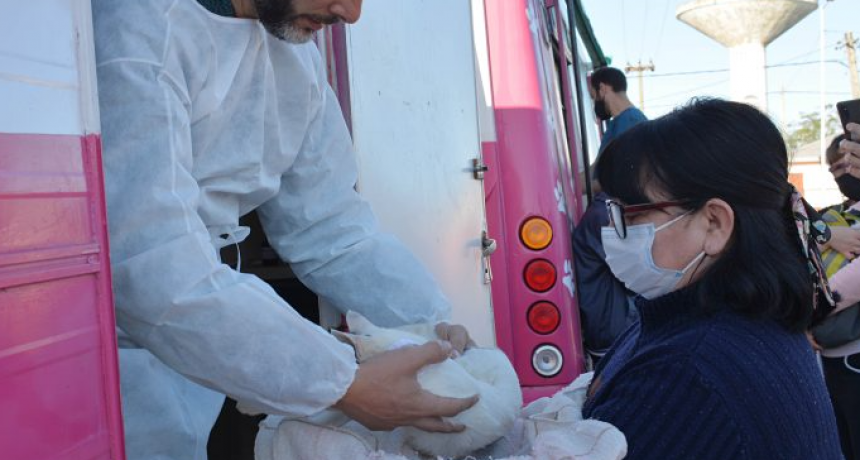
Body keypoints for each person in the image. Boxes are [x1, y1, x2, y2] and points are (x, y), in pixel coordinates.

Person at [91, 1, 477, 459]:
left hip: (196, 337)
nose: (349, 14)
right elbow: (151, 261)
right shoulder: (139, 31)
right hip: (107, 357)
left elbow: (334, 231)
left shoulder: (297, 58)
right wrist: (342, 384)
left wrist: (427, 323)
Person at [581, 98, 843, 459]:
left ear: (715, 224)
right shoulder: (707, 316)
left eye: (631, 213)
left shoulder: (688, 371)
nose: (612, 229)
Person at [573, 68, 647, 365]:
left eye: (592, 95)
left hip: (612, 334)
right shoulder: (622, 125)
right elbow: (597, 170)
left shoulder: (630, 125)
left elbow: (604, 174)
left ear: (603, 88)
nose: (594, 102)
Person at [816, 127, 860, 460]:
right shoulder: (829, 217)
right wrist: (829, 234)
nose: (844, 168)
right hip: (829, 357)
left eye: (852, 158)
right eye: (836, 164)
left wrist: (807, 314)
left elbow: (851, 281)